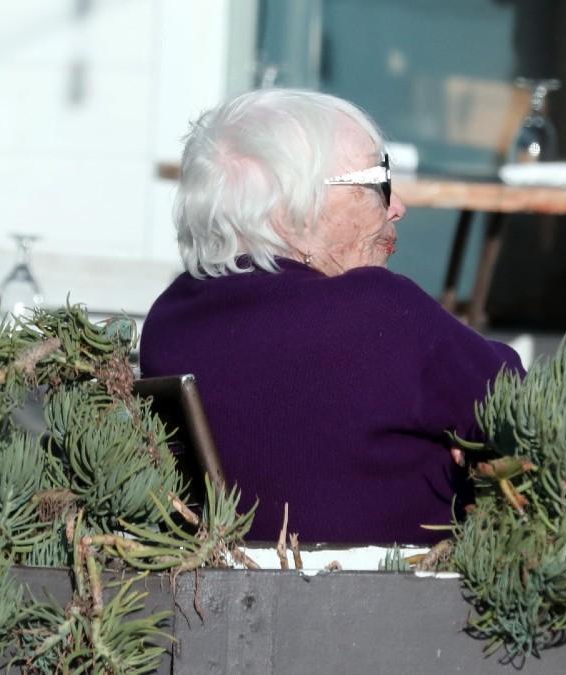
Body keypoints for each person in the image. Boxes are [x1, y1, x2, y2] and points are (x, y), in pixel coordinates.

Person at [140, 89, 523, 544]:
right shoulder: (377, 312)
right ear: (299, 207)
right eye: (377, 180)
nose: (396, 204)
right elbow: (524, 405)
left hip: (220, 604)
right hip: (400, 605)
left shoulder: (169, 321)